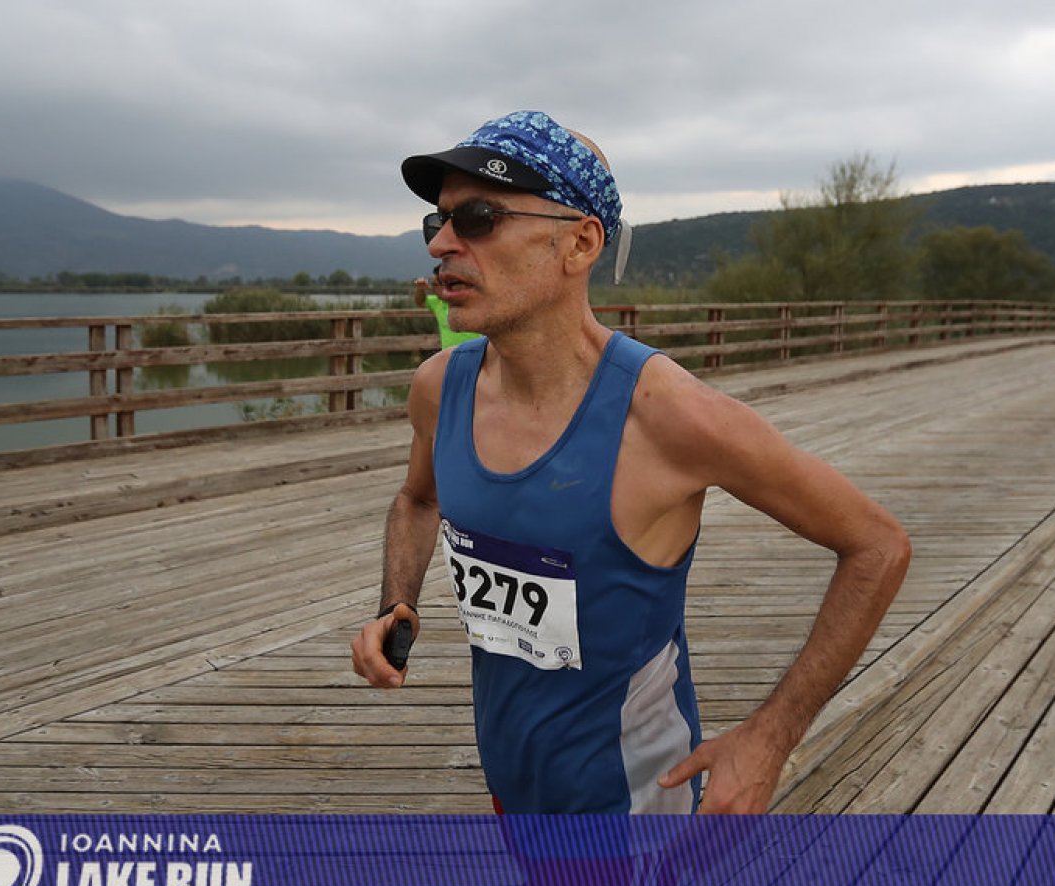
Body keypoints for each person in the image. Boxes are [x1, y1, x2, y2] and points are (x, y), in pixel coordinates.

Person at [350, 110, 911, 815]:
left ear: (580, 243)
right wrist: (396, 600)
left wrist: (770, 739)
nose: (441, 243)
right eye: (438, 221)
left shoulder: (671, 416)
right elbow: (419, 499)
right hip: (510, 784)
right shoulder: (440, 388)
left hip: (639, 805)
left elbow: (877, 545)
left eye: (479, 218)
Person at [413, 265, 479, 348]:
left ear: (445, 285)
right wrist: (420, 288)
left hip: (474, 352)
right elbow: (420, 302)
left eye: (434, 285)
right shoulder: (437, 302)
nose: (431, 288)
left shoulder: (471, 300)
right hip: (449, 354)